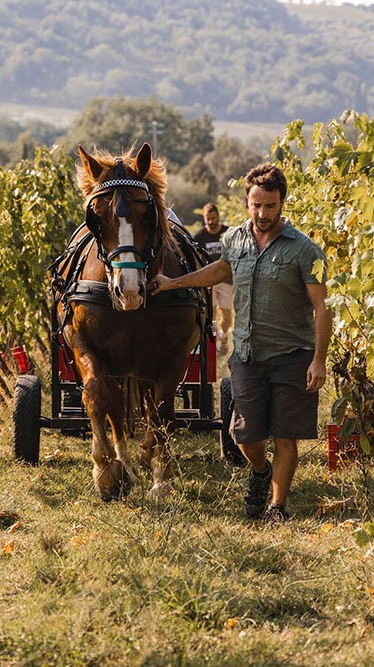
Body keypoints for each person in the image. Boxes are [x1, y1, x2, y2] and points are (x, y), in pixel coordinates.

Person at [150, 164, 331, 522]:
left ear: (282, 204)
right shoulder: (235, 239)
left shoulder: (304, 250)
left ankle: (278, 507)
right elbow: (222, 270)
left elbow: (322, 308)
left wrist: (319, 360)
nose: (262, 213)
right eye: (256, 205)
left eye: (270, 206)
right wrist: (174, 283)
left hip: (292, 355)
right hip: (246, 354)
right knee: (245, 437)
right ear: (247, 202)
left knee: (284, 435)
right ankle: (260, 473)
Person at [193, 203, 234, 352]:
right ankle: (213, 344)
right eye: (207, 219)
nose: (210, 221)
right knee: (212, 316)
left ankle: (223, 336)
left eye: (213, 218)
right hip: (209, 282)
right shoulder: (199, 237)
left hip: (226, 281)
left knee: (227, 318)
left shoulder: (228, 233)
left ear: (218, 217)